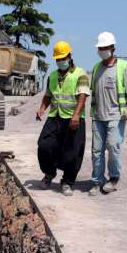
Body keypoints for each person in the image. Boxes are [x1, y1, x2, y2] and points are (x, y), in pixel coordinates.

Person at [35, 41, 90, 196]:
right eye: (58, 59)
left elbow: (82, 96)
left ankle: (67, 181)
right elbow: (48, 96)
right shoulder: (52, 76)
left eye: (63, 58)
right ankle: (49, 173)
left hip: (73, 118)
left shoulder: (81, 74)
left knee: (72, 153)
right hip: (55, 117)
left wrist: (76, 115)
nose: (60, 61)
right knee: (44, 146)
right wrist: (41, 109)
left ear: (69, 56)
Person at [88, 32, 127, 196]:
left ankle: (114, 178)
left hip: (116, 115)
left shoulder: (123, 66)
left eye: (105, 47)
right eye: (100, 48)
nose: (102, 50)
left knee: (113, 146)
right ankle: (97, 181)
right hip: (98, 116)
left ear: (112, 48)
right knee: (96, 150)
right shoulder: (96, 68)